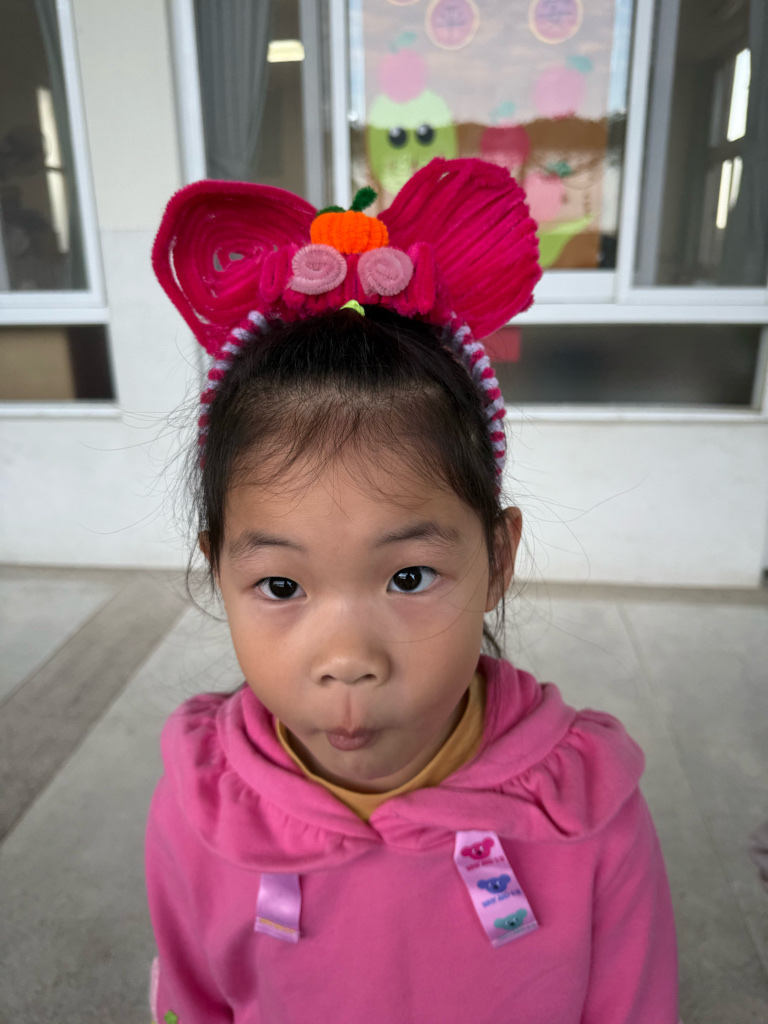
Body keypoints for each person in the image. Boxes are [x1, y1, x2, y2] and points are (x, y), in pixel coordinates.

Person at [145, 158, 679, 1024]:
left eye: (408, 577)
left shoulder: (588, 811)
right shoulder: (199, 802)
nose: (348, 659)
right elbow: (191, 996)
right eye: (281, 584)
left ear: (497, 560)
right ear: (219, 571)